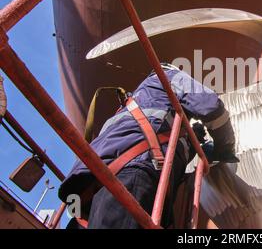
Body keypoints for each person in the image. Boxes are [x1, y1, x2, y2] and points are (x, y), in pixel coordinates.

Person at [59, 63, 237, 229]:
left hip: (88, 192)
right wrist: (225, 148)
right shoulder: (167, 75)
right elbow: (211, 106)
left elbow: (156, 136)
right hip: (132, 175)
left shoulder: (131, 107)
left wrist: (190, 141)